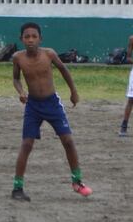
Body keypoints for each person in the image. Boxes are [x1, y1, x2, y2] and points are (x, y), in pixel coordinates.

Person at [10, 22, 91, 201]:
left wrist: (74, 92)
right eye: (27, 37)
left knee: (68, 141)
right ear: (21, 39)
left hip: (52, 104)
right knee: (26, 144)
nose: (30, 40)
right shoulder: (18, 58)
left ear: (40, 38)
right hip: (33, 106)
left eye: (34, 36)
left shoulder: (49, 54)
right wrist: (21, 92)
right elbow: (16, 78)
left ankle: (77, 181)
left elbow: (64, 70)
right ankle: (17, 188)